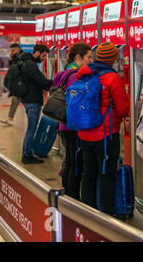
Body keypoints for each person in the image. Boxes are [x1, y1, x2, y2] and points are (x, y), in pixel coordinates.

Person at [77, 42, 129, 215]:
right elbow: (122, 109)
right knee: (106, 175)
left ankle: (88, 212)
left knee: (88, 174)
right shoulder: (113, 78)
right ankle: (106, 216)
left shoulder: (82, 74)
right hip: (106, 136)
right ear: (113, 59)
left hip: (84, 132)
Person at [53, 43, 92, 200]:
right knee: (75, 165)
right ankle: (72, 198)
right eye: (88, 57)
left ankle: (67, 195)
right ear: (78, 57)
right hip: (73, 126)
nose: (91, 60)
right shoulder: (76, 75)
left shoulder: (65, 72)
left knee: (69, 161)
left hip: (64, 124)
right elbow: (76, 103)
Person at [18, 44, 53, 164]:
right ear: (37, 53)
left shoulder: (26, 62)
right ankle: (27, 155)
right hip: (32, 101)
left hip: (29, 100)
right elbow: (42, 81)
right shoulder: (30, 64)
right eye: (43, 56)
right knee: (31, 129)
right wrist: (59, 80)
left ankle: (28, 153)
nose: (43, 59)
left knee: (31, 128)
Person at [0, 43, 23, 126]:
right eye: (11, 50)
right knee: (15, 100)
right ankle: (10, 119)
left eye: (13, 50)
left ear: (18, 49)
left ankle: (34, 121)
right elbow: (12, 69)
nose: (12, 52)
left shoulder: (22, 57)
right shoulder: (15, 58)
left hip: (22, 84)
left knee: (25, 103)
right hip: (17, 84)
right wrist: (11, 60)